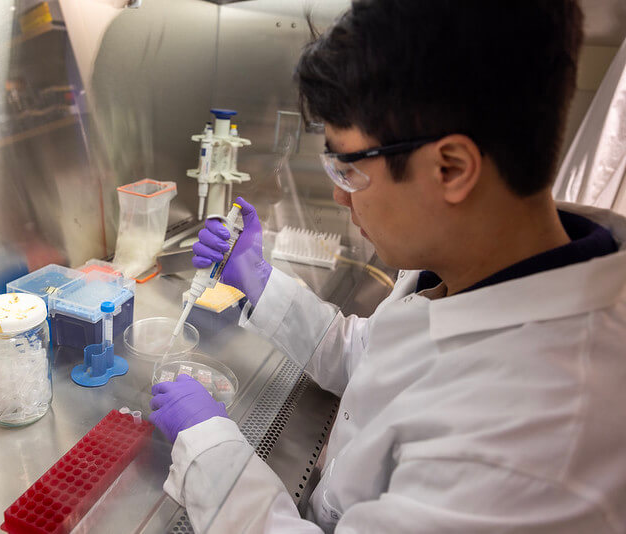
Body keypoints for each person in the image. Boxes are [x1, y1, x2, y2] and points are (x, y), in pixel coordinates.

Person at [150, 1, 626, 532]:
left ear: (451, 168)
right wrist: (259, 284)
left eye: (348, 166)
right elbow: (371, 356)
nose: (338, 193)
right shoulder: (473, 270)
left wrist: (212, 453)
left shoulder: (530, 442)